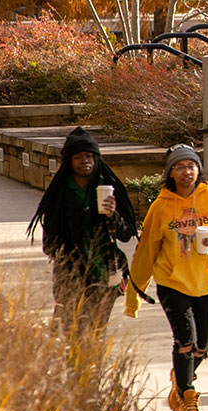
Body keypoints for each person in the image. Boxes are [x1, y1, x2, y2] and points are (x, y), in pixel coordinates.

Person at [126, 144, 208, 411]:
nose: (187, 172)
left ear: (198, 170)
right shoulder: (161, 207)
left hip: (206, 282)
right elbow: (147, 251)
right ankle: (188, 399)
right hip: (172, 282)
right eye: (179, 167)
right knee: (185, 340)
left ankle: (180, 377)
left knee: (202, 347)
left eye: (191, 166)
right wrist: (134, 294)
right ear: (170, 173)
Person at [30, 126, 136, 331]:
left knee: (96, 329)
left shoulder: (109, 187)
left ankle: (91, 362)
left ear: (97, 159)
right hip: (70, 272)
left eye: (89, 156)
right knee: (73, 328)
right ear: (69, 161)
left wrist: (113, 215)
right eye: (78, 157)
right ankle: (76, 363)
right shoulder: (60, 192)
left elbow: (125, 235)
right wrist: (64, 258)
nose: (85, 161)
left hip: (105, 270)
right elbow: (49, 239)